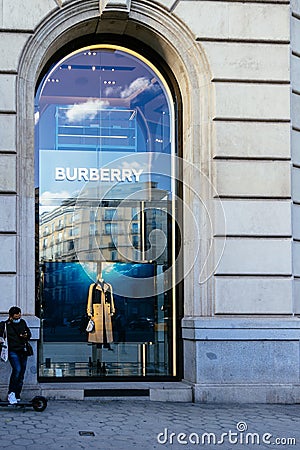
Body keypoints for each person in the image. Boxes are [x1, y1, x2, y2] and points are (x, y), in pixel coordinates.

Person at [0, 306, 32, 404]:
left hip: (23, 350)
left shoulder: (22, 323)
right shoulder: (5, 325)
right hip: (12, 351)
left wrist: (26, 335)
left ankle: (17, 395)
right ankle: (11, 393)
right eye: (16, 314)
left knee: (21, 373)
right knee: (17, 370)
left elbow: (29, 334)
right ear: (11, 316)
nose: (19, 316)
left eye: (19, 313)